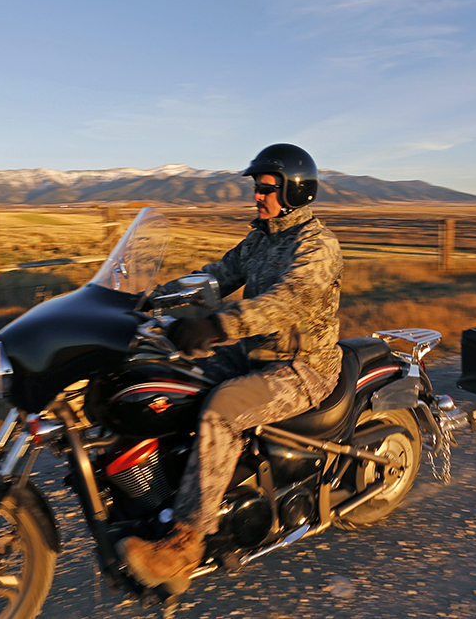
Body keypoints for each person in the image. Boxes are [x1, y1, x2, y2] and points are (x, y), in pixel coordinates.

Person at [118, 143, 343, 592]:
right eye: (257, 188)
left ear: (295, 191)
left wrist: (218, 325)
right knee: (173, 372)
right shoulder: (262, 237)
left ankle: (186, 546)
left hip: (303, 366)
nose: (257, 196)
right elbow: (215, 277)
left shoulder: (317, 246)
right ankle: (162, 489)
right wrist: (152, 300)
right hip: (256, 352)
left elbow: (288, 302)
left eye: (265, 188)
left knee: (221, 410)